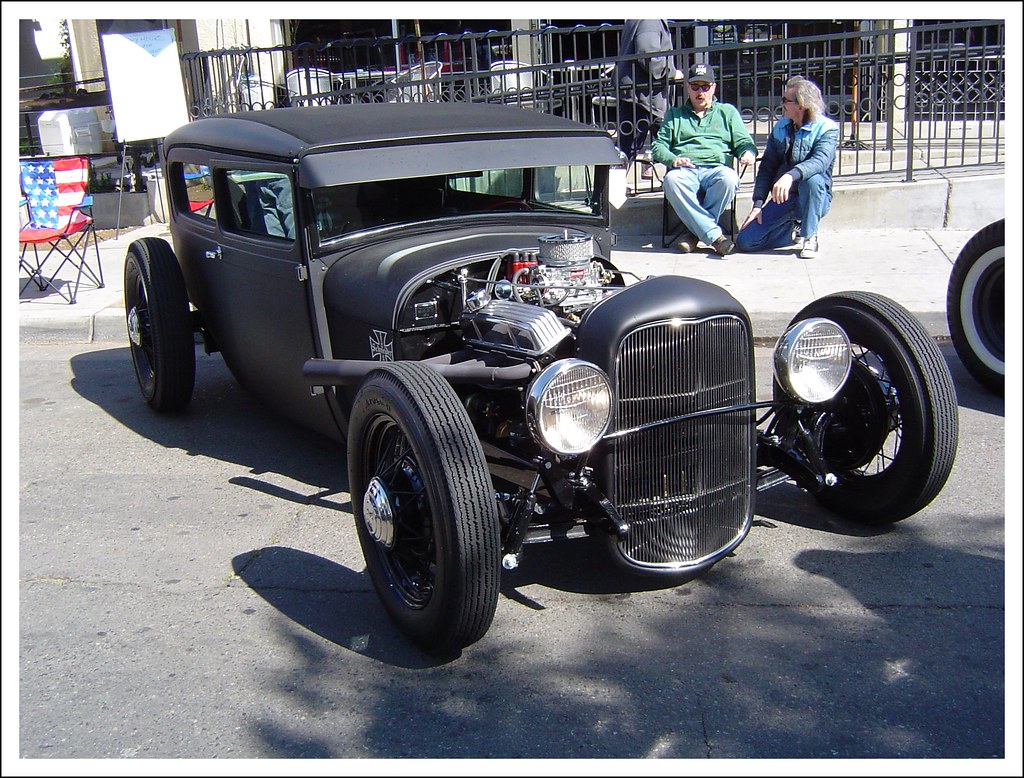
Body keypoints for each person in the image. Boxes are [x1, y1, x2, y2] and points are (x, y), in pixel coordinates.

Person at [652, 63, 757, 256]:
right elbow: (658, 147)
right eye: (695, 87)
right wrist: (674, 160)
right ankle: (716, 237)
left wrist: (747, 152)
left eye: (705, 87)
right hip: (685, 170)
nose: (700, 92)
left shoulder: (727, 112)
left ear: (713, 88)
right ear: (688, 88)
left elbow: (744, 142)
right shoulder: (675, 115)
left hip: (717, 168)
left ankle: (693, 234)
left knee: (730, 178)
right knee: (672, 180)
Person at [736, 75, 839, 259]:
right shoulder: (781, 127)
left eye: (785, 100)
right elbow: (767, 166)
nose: (781, 104)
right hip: (785, 197)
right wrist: (758, 204)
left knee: (812, 179)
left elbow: (820, 161)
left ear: (801, 105)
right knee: (746, 241)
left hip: (814, 198)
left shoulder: (827, 129)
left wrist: (791, 175)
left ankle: (810, 237)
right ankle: (790, 231)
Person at [613, 20, 684, 166]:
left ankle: (654, 170)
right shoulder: (650, 19)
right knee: (630, 146)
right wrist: (670, 73)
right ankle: (613, 184)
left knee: (630, 144)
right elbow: (648, 55)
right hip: (644, 96)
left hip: (641, 94)